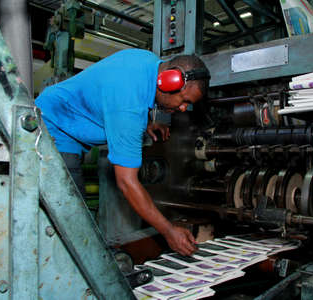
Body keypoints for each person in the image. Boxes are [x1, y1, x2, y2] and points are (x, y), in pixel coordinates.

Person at [35, 49, 210, 256]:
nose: (183, 108)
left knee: (74, 219)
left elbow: (112, 100)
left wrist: (145, 124)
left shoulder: (147, 63)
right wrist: (169, 231)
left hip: (63, 127)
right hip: (49, 131)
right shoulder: (129, 108)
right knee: (73, 223)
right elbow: (127, 183)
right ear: (168, 81)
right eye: (184, 101)